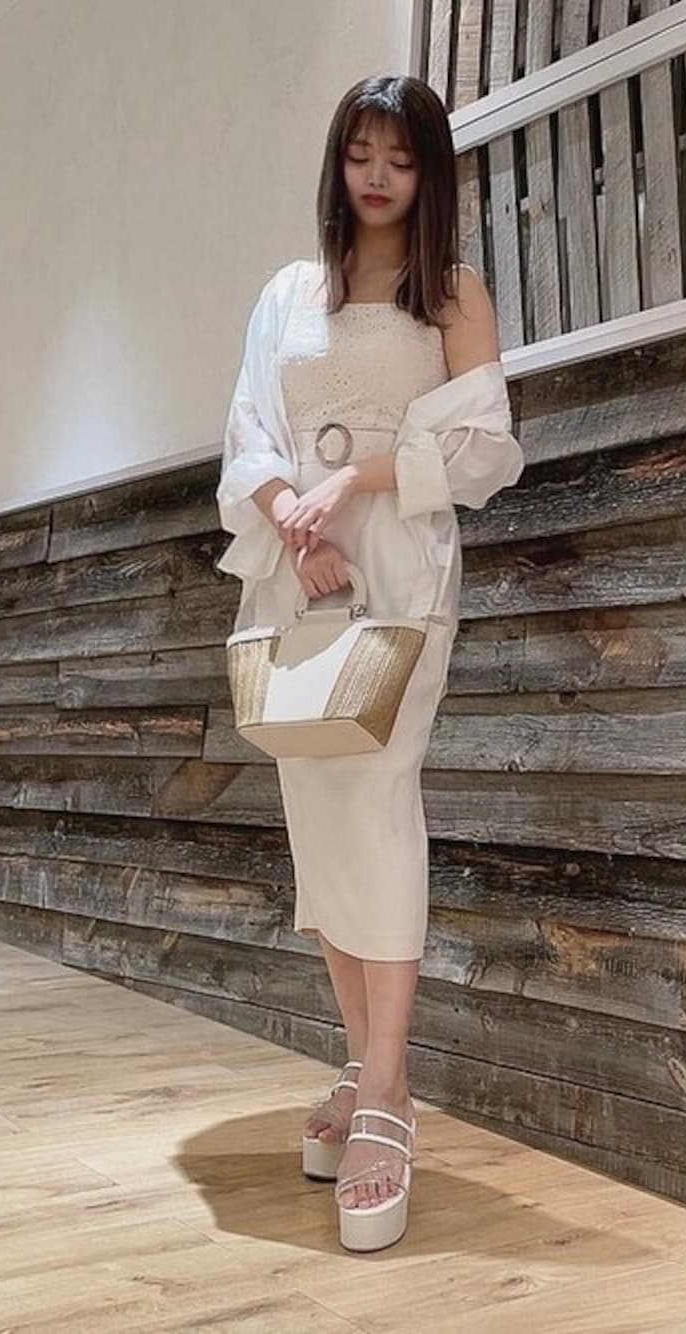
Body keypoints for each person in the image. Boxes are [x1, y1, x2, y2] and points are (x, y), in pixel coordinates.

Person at [215, 74, 524, 1250]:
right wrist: (296, 520)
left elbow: (485, 447)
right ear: (337, 163)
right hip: (298, 576)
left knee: (379, 806)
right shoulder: (288, 292)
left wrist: (358, 476)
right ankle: (362, 1063)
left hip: (399, 572)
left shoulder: (452, 293)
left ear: (428, 169)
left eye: (400, 156)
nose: (379, 176)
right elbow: (248, 431)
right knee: (321, 820)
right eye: (360, 153)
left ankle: (389, 1097)